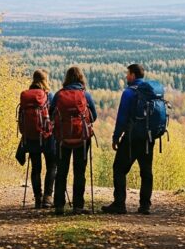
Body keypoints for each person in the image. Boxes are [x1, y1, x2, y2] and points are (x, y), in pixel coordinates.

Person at [102, 64, 155, 215]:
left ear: (133, 75)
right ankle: (145, 205)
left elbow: (122, 118)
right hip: (148, 137)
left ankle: (119, 204)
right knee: (146, 171)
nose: (126, 76)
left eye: (128, 73)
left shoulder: (128, 93)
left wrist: (116, 137)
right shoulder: (150, 91)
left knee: (119, 168)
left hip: (132, 138)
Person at [50, 66, 97, 215]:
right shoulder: (85, 95)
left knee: (61, 171)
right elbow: (94, 116)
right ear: (81, 78)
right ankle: (78, 206)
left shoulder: (59, 95)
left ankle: (59, 206)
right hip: (82, 139)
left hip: (62, 138)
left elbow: (51, 114)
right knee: (79, 171)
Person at [20, 69, 57, 208]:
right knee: (51, 165)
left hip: (31, 136)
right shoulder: (49, 95)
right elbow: (54, 114)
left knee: (36, 167)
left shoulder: (26, 95)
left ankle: (37, 198)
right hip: (48, 136)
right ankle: (48, 197)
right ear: (45, 80)